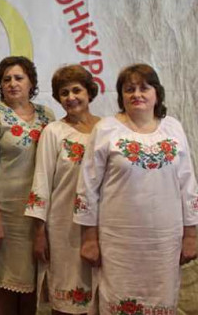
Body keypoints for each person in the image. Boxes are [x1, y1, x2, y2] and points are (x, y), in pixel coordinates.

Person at [74, 64, 198, 313]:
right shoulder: (106, 129)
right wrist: (89, 238)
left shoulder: (173, 128)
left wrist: (192, 235)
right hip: (119, 243)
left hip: (164, 243)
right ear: (121, 96)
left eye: (144, 88)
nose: (137, 94)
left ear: (157, 93)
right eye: (129, 89)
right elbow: (87, 186)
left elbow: (188, 184)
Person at [0, 56, 54, 315]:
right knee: (6, 284)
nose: (12, 83)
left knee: (32, 284)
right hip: (5, 215)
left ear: (31, 82)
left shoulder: (46, 115)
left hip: (38, 217)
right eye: (6, 79)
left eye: (19, 78)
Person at [24, 65, 99, 314]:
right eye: (64, 93)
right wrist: (39, 233)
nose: (71, 97)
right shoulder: (53, 132)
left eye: (76, 90)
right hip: (64, 230)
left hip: (103, 228)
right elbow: (41, 182)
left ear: (89, 92)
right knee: (67, 299)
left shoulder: (107, 129)